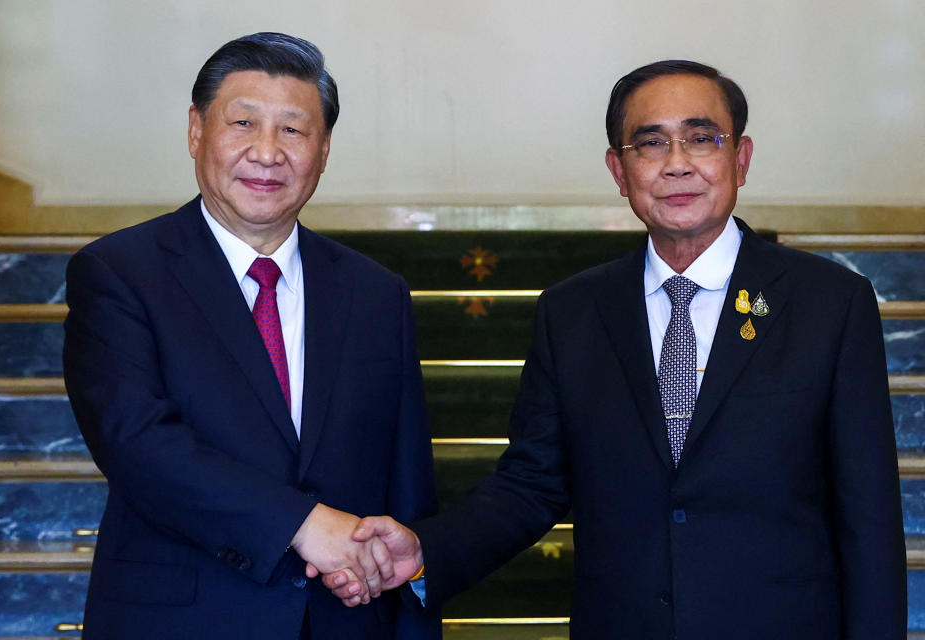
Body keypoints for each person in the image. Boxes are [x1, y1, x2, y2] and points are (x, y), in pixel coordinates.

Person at [323, 60, 907, 639]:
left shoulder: (829, 302)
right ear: (619, 171)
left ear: (741, 159)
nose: (677, 164)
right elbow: (531, 483)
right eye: (650, 144)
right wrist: (427, 550)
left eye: (702, 139)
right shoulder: (574, 311)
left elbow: (870, 517)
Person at [62, 32, 439, 639]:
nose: (267, 153)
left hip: (346, 621)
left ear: (323, 150)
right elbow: (137, 443)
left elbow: (407, 481)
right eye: (243, 123)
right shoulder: (120, 272)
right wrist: (304, 524)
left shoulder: (376, 292)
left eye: (293, 130)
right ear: (195, 131)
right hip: (180, 620)